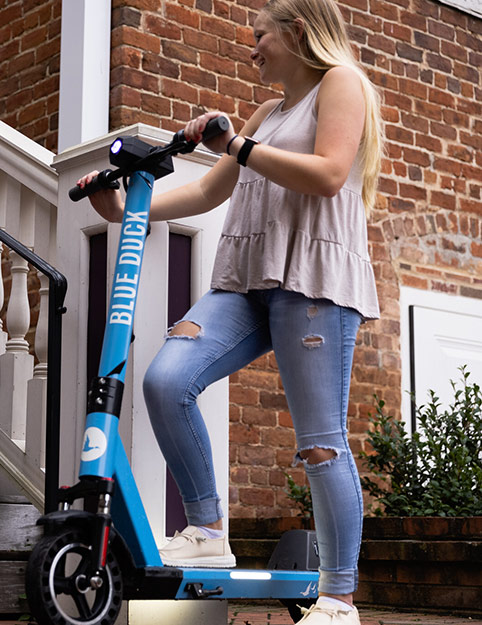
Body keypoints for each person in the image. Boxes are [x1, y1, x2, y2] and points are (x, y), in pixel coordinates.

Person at [78, 0, 383, 623]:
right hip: (246, 283)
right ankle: (207, 526)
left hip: (313, 280)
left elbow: (328, 174)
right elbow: (207, 188)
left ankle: (340, 598)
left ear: (297, 33)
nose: (253, 48)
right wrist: (122, 209)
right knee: (166, 380)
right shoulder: (269, 112)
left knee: (321, 443)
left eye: (260, 35)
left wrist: (238, 146)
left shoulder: (342, 83)